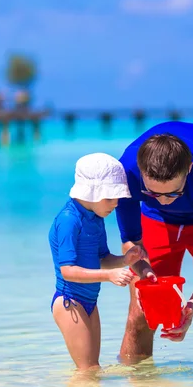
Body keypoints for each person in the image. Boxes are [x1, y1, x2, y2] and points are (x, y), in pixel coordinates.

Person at [116, 121, 193, 361]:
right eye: (153, 193)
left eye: (173, 193)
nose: (164, 201)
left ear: (189, 169)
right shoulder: (125, 174)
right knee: (141, 314)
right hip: (157, 221)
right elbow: (131, 244)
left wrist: (191, 307)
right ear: (141, 172)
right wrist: (144, 272)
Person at [49, 153, 145, 370]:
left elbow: (101, 259)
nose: (116, 204)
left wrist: (123, 260)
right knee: (89, 370)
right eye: (110, 198)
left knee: (93, 369)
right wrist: (109, 276)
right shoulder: (68, 220)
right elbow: (68, 271)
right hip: (69, 301)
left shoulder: (96, 218)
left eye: (118, 198)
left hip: (90, 302)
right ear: (91, 192)